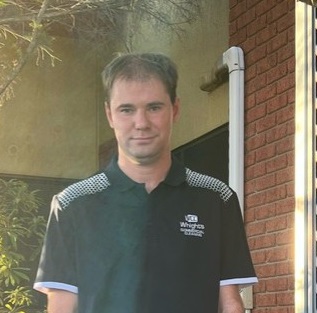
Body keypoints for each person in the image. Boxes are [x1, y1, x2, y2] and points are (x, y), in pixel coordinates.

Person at [34, 52, 258, 313]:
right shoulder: (71, 204)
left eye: (154, 107)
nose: (141, 123)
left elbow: (230, 303)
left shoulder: (216, 199)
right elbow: (61, 307)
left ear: (174, 109)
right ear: (109, 115)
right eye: (126, 109)